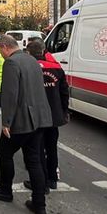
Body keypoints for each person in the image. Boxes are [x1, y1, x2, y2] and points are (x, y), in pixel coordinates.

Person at [0, 34, 53, 214]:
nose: (0, 54)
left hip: (21, 120)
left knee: (4, 153)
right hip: (39, 118)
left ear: (5, 47)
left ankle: (5, 190)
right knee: (34, 160)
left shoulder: (12, 63)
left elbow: (10, 94)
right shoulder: (31, 59)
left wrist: (6, 122)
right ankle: (39, 205)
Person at [24, 40, 69, 193]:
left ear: (28, 53)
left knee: (37, 148)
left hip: (36, 115)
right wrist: (64, 112)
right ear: (43, 51)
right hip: (54, 115)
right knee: (51, 148)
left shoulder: (29, 68)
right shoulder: (57, 68)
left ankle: (40, 181)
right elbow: (64, 92)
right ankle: (52, 179)